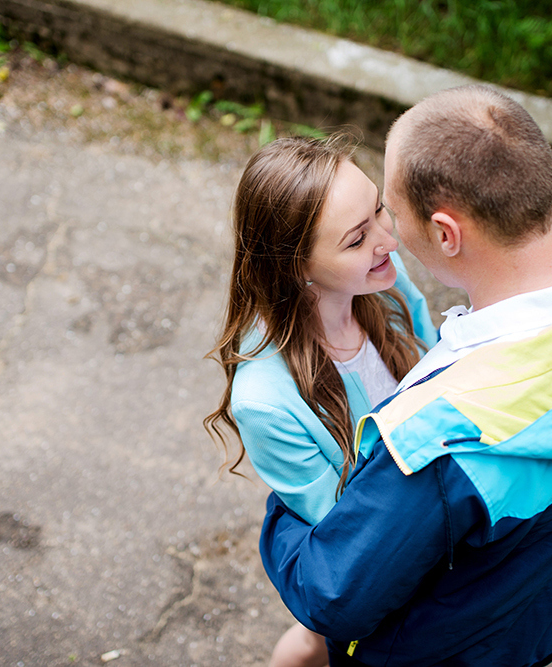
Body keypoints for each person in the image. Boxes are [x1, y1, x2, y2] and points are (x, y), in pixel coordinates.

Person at [259, 85, 552, 666]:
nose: (387, 236)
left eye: (389, 209)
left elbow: (333, 596)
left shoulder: (437, 448)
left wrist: (281, 513)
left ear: (444, 233)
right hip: (541, 616)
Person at [205, 135, 438, 666]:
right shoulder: (266, 401)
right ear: (295, 267)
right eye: (357, 240)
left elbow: (436, 368)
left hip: (419, 506)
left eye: (380, 209)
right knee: (315, 640)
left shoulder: (387, 286)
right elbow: (343, 528)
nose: (390, 241)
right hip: (376, 549)